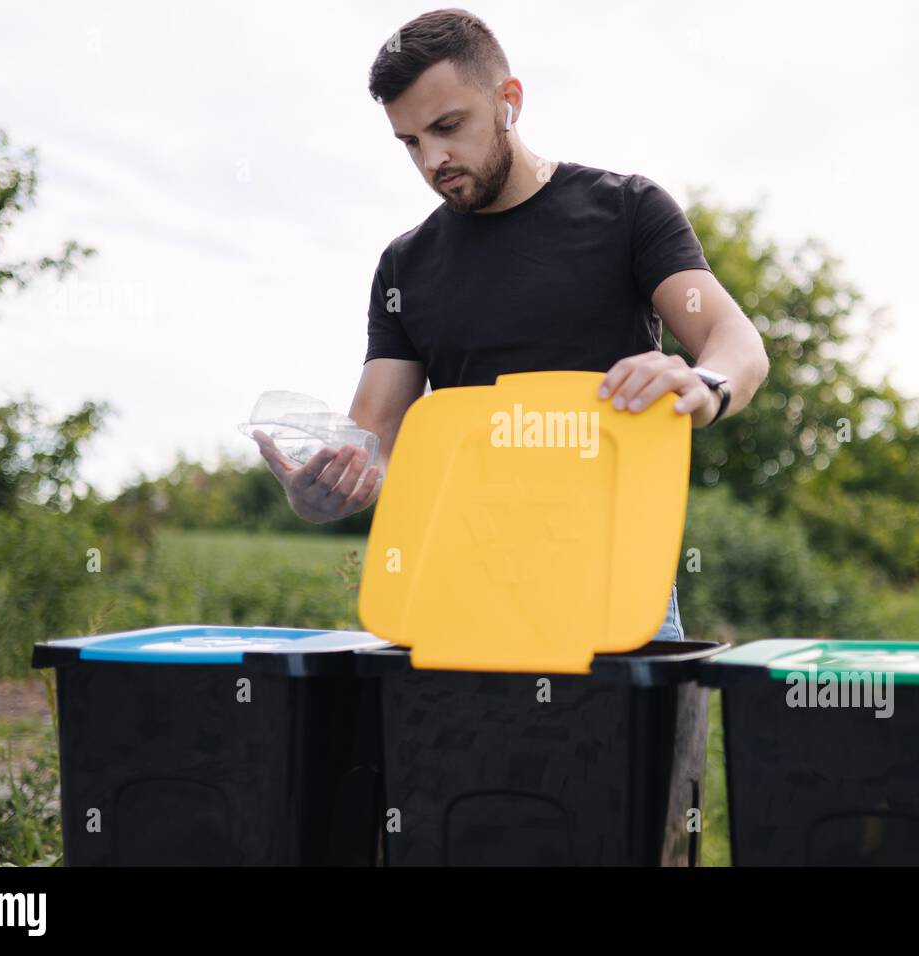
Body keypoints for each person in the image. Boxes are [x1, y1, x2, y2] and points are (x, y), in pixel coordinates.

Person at [256, 8, 768, 641]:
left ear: (509, 100)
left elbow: (736, 341)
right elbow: (374, 446)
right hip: (459, 590)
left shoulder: (628, 211)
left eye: (448, 126)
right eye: (411, 142)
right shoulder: (403, 265)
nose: (432, 159)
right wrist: (320, 495)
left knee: (624, 745)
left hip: (615, 588)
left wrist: (706, 382)